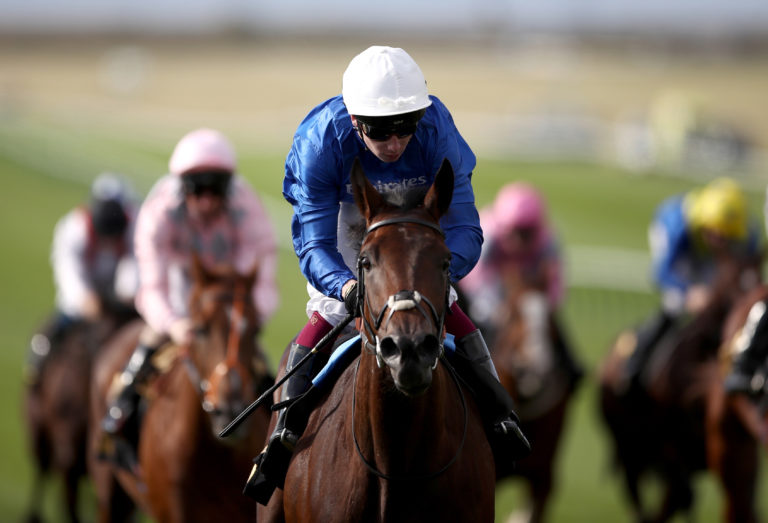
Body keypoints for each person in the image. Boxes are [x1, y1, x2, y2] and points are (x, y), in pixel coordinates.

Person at [250, 45, 529, 489]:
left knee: (448, 307)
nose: (396, 143)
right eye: (381, 131)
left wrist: (431, 278)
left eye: (405, 128)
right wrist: (345, 288)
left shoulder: (437, 130)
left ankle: (502, 420)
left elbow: (464, 229)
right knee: (333, 312)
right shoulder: (321, 142)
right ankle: (282, 436)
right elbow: (314, 243)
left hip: (413, 223)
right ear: (355, 121)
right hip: (347, 218)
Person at [98, 128, 279, 463]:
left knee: (258, 364)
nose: (207, 199)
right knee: (148, 344)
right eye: (197, 189)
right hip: (180, 293)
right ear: (182, 187)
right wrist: (175, 324)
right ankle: (119, 416)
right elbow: (150, 284)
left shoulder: (246, 206)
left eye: (216, 188)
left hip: (226, 297)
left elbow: (263, 270)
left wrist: (248, 316)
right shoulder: (159, 212)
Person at [624, 176, 761, 394]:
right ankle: (636, 362)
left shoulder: (748, 234)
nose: (718, 241)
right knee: (675, 305)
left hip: (704, 250)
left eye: (725, 237)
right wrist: (689, 292)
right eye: (714, 234)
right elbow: (661, 273)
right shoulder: (675, 225)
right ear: (704, 225)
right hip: (682, 247)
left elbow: (750, 274)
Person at [458, 182, 584, 389]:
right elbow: (475, 277)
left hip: (527, 287)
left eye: (527, 233)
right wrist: (496, 309)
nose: (521, 240)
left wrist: (547, 306)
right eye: (517, 232)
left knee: (545, 322)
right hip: (490, 286)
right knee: (475, 324)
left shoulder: (548, 239)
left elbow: (555, 280)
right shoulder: (485, 232)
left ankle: (571, 368)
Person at [25, 172, 139, 386]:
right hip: (84, 299)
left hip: (119, 299)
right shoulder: (73, 227)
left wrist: (125, 292)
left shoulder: (135, 225)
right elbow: (67, 268)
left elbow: (135, 262)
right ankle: (36, 368)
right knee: (50, 334)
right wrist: (84, 298)